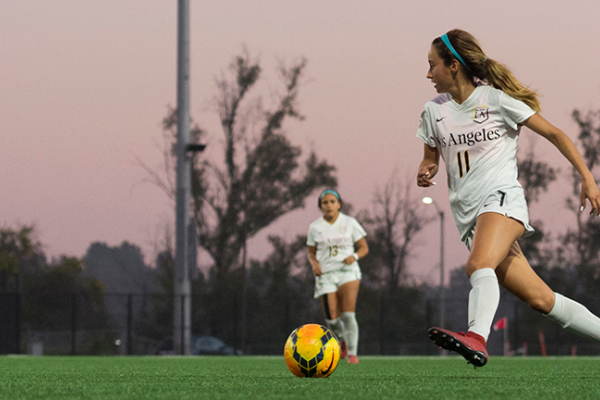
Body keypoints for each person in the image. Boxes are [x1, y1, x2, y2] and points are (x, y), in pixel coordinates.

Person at [415, 29, 600, 367]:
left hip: (501, 201)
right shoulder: (433, 111)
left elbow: (556, 134)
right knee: (541, 300)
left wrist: (587, 177)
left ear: (453, 66)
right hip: (469, 216)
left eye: (432, 66)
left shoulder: (496, 101)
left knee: (477, 265)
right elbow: (431, 156)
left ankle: (476, 338)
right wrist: (427, 169)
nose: (428, 74)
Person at [307, 189, 369, 364]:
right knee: (332, 320)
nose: (329, 205)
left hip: (347, 272)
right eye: (325, 202)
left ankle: (352, 353)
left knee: (348, 315)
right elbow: (311, 253)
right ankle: (340, 339)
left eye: (332, 201)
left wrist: (354, 256)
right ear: (320, 206)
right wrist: (314, 264)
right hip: (326, 274)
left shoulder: (350, 223)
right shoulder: (315, 227)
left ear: (339, 204)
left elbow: (364, 247)